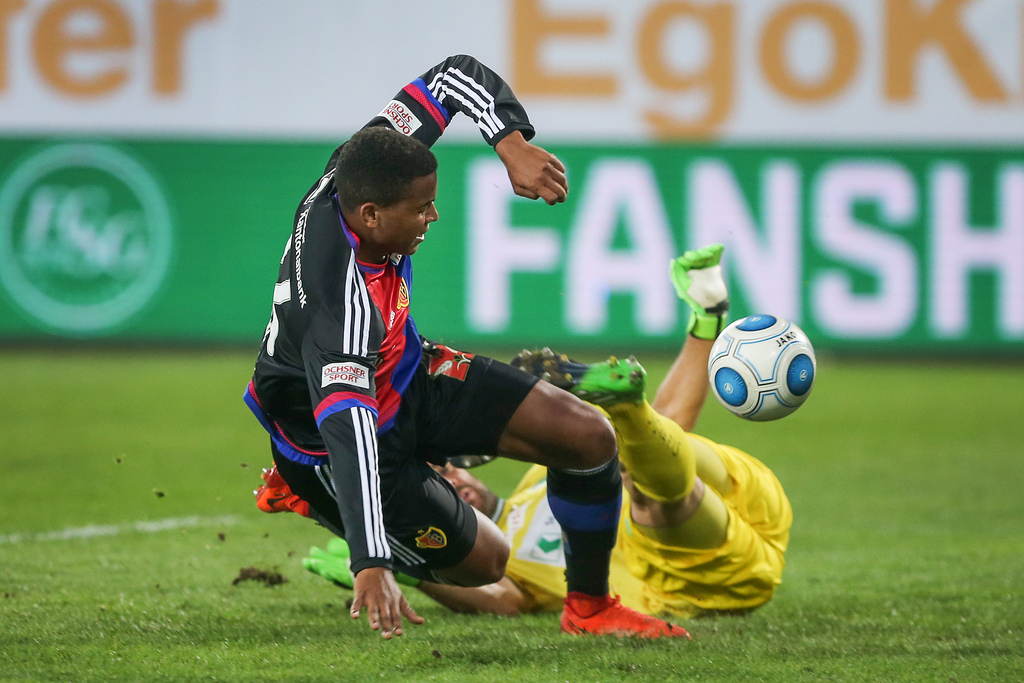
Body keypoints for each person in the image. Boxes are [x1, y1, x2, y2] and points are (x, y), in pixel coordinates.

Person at [244, 54, 688, 640]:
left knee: (588, 437)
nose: (434, 214)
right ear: (372, 216)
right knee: (488, 563)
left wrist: (509, 142)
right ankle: (315, 499)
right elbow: (350, 432)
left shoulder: (363, 166)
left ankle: (590, 609)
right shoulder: (342, 309)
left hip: (407, 374)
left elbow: (452, 75)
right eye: (421, 207)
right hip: (337, 443)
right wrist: (370, 559)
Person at [296, 244, 793, 621]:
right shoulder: (506, 562)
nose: (451, 479)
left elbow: (669, 427)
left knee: (638, 450)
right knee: (653, 494)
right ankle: (628, 405)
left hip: (745, 490)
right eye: (440, 487)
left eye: (444, 468)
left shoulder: (549, 474)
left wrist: (705, 323)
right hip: (707, 569)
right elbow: (501, 601)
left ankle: (650, 382)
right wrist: (408, 563)